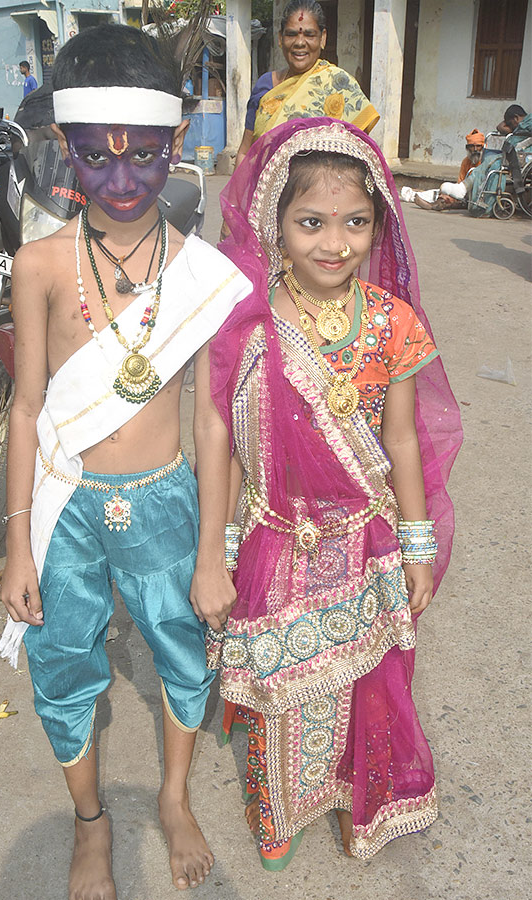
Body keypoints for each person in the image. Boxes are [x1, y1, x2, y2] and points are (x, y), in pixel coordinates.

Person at [0, 23, 251, 899]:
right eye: (96, 159)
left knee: (185, 653)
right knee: (64, 667)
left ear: (175, 147)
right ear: (64, 149)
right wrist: (20, 544)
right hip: (66, 509)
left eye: (143, 158)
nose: (120, 180)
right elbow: (27, 408)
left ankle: (176, 798)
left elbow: (213, 420)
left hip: (165, 503)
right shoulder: (38, 265)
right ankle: (91, 825)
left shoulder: (200, 274)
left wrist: (213, 550)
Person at [207, 117, 462, 870]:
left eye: (355, 223)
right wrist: (218, 553)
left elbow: (405, 441)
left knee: (366, 684)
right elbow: (225, 444)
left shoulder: (392, 323)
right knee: (277, 691)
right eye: (310, 222)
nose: (334, 243)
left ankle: (360, 798)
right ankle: (279, 805)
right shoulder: (252, 322)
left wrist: (420, 547)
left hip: (366, 534)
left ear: (379, 224)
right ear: (274, 226)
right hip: (276, 536)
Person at [234, 0, 378, 169]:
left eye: (309, 35)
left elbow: (360, 156)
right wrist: (242, 194)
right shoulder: (265, 86)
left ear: (323, 38)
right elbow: (245, 152)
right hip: (265, 192)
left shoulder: (339, 85)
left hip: (323, 193)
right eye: (291, 34)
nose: (300, 42)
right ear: (280, 38)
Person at [439, 106, 531, 216]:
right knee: (492, 160)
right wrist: (511, 123)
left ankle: (467, 189)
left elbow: (503, 128)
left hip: (525, 156)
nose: (509, 127)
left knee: (495, 161)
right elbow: (500, 127)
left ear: (516, 118)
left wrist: (513, 125)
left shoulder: (528, 122)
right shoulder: (523, 125)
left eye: (510, 124)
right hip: (518, 155)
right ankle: (468, 190)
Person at [400, 128, 485, 210]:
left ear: (483, 147)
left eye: (478, 146)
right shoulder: (465, 162)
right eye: (472, 147)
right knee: (441, 192)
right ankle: (430, 202)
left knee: (446, 195)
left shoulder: (485, 162)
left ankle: (435, 204)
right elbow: (460, 182)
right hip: (464, 192)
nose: (475, 150)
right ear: (467, 148)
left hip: (476, 195)